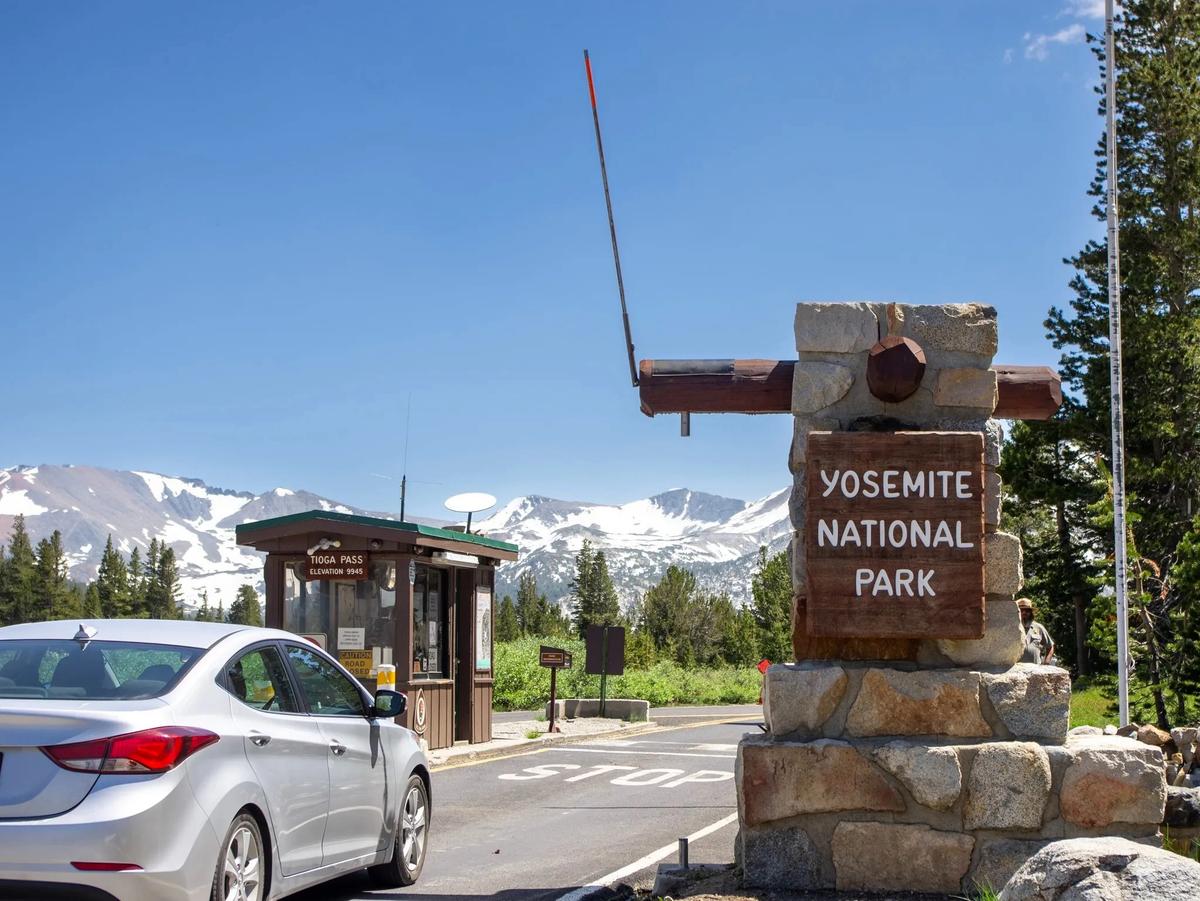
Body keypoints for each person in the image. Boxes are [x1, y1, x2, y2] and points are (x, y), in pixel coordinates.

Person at [1017, 598, 1055, 665]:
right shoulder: (1011, 628)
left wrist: (1046, 662)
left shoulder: (1039, 627)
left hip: (1035, 670)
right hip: (1016, 670)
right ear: (1017, 612)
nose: (1024, 612)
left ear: (1031, 612)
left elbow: (1050, 646)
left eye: (1027, 610)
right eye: (1021, 610)